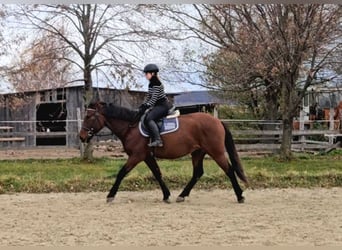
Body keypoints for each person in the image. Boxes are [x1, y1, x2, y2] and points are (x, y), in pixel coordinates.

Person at [138, 63, 170, 147]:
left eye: (146, 73)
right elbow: (148, 96)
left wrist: (146, 106)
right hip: (157, 106)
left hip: (162, 106)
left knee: (149, 118)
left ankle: (158, 140)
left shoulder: (157, 84)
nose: (145, 75)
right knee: (145, 116)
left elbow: (153, 99)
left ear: (152, 73)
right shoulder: (151, 84)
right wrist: (143, 105)